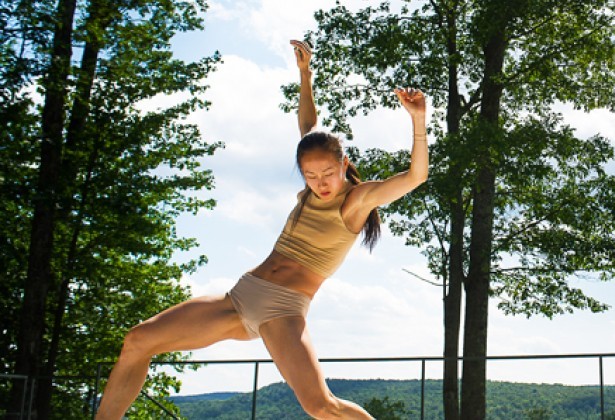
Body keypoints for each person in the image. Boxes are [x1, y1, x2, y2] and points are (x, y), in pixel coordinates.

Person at [94, 39, 428, 420]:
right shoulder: (312, 185)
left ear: (343, 163)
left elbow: (415, 177)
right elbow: (308, 126)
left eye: (327, 173)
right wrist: (305, 74)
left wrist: (417, 121)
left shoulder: (355, 201)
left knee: (320, 405)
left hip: (282, 309)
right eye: (310, 175)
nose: (320, 182)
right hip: (240, 297)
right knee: (137, 340)